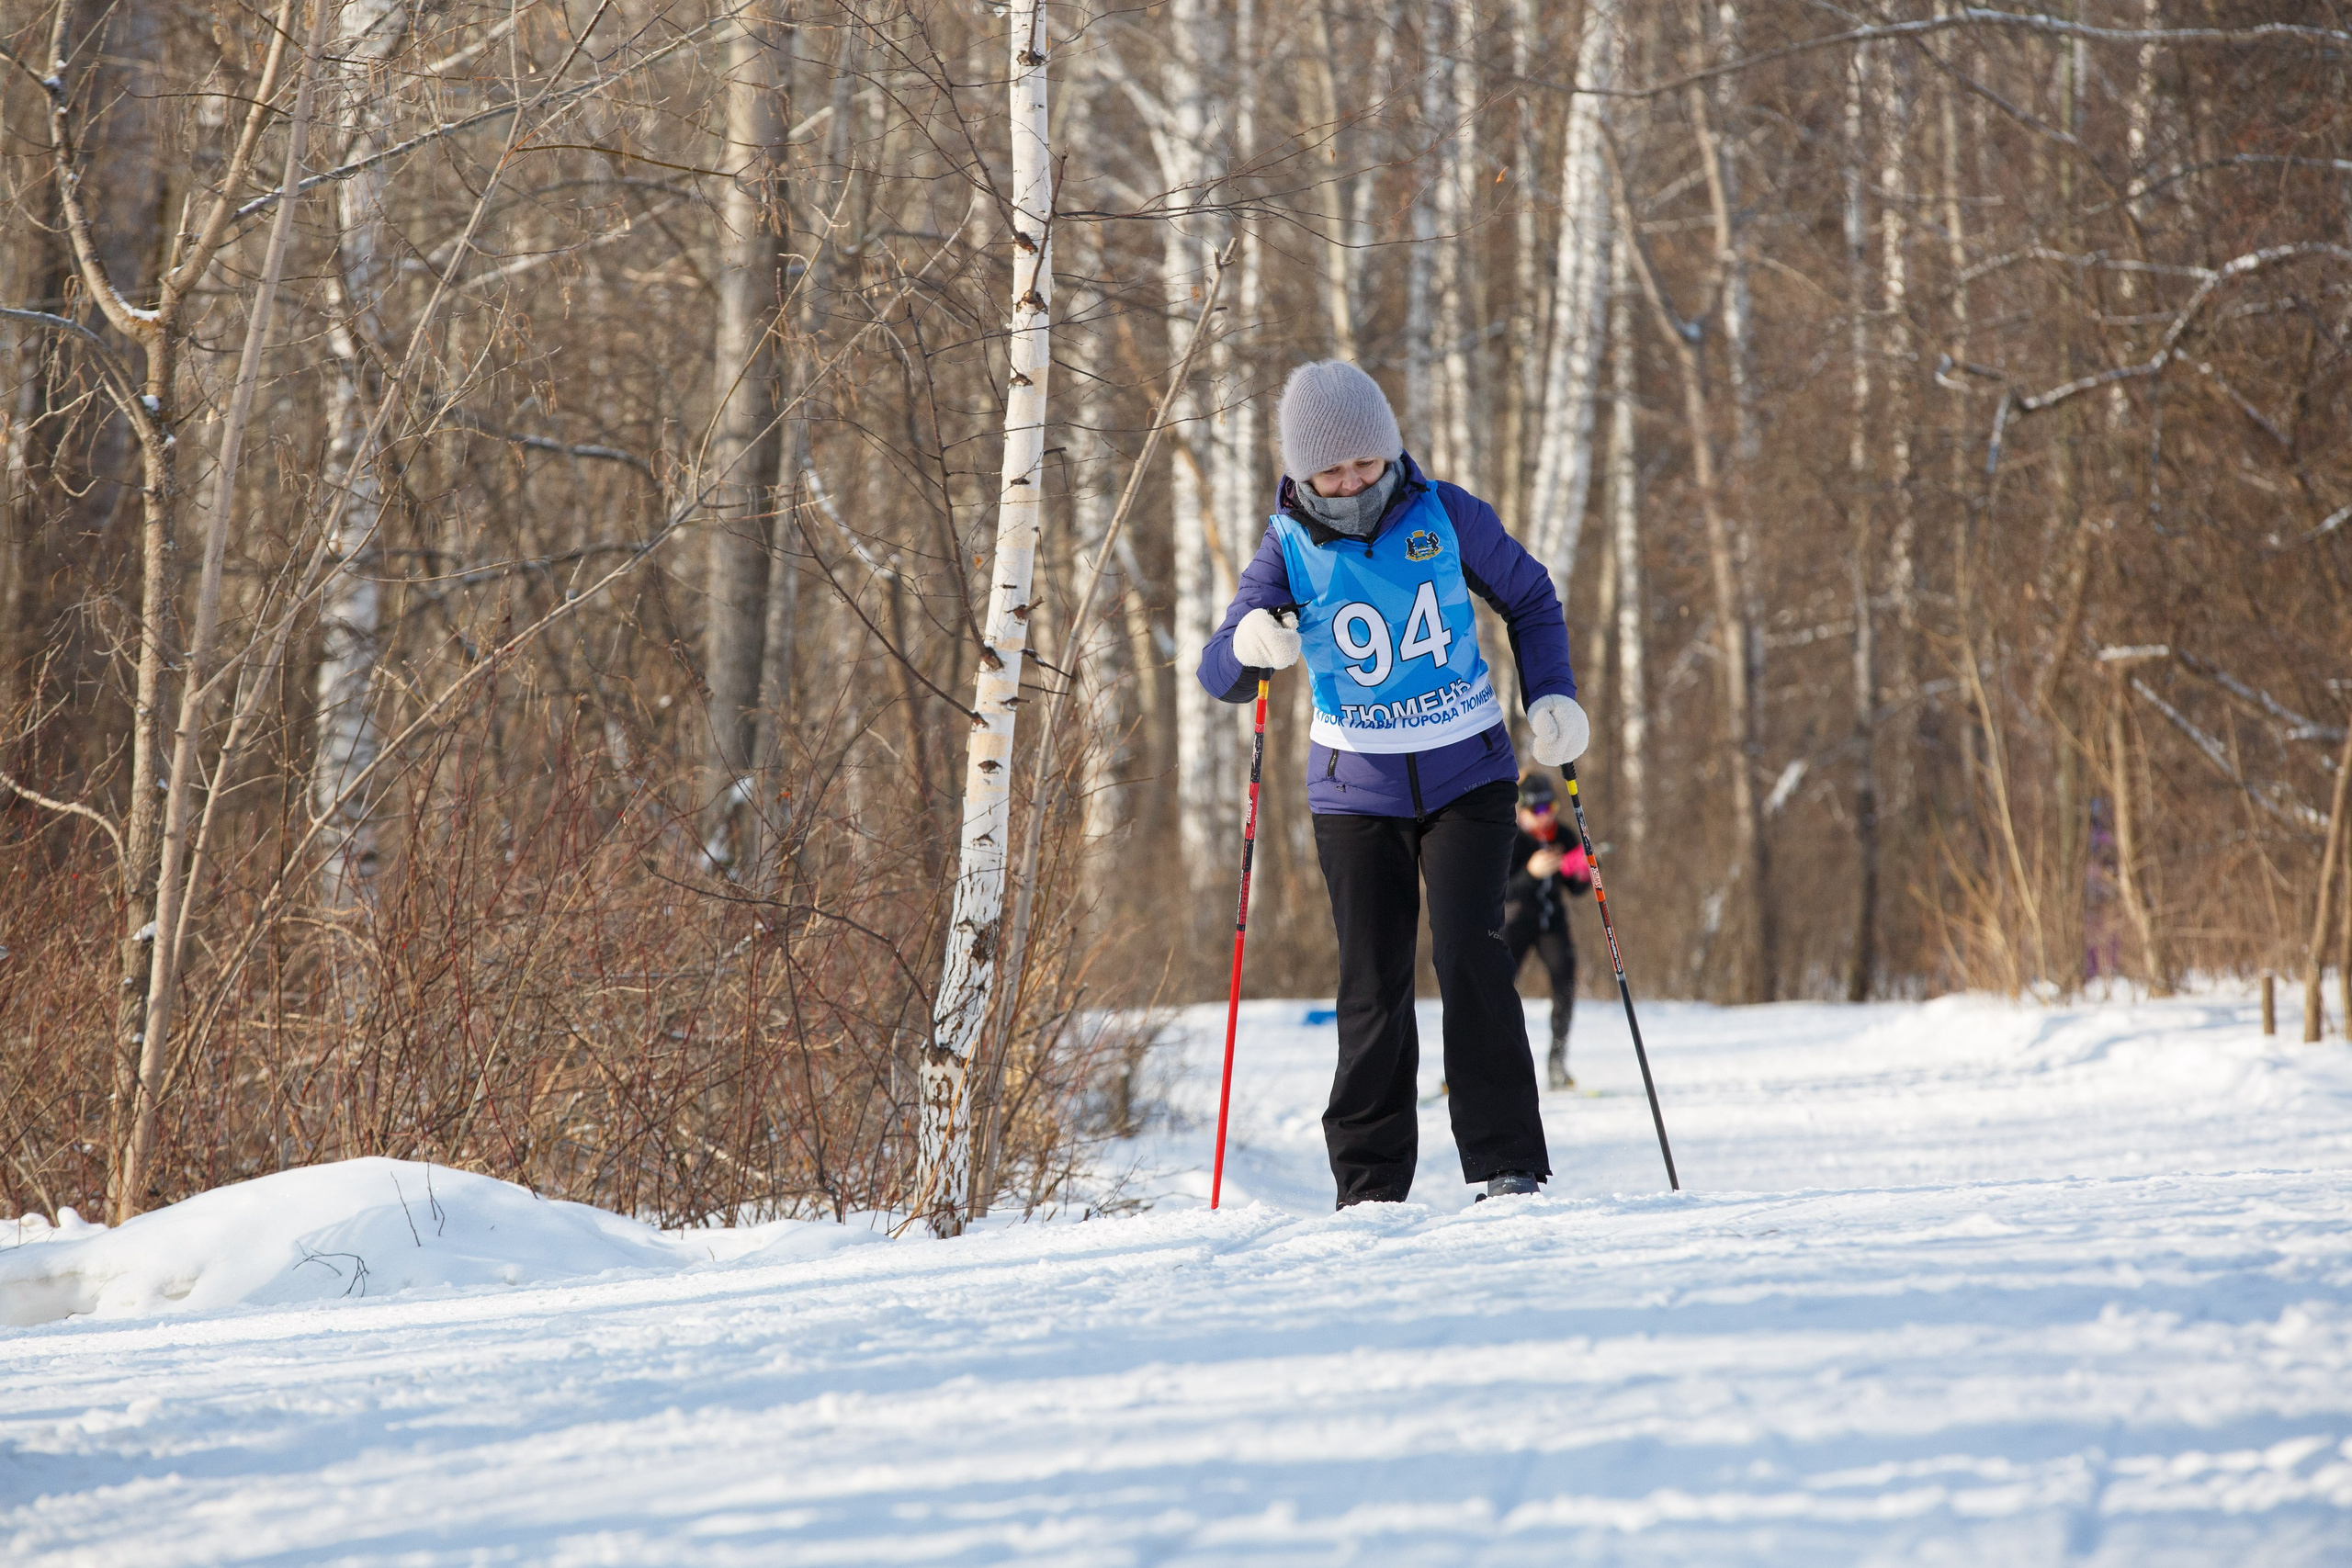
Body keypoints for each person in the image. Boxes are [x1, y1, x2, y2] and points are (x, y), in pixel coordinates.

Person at [1197, 359, 1590, 1208]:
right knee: (1372, 981)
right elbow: (1218, 667)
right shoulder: (1287, 545)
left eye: (1366, 463)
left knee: (1471, 956)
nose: (1352, 483)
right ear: (1302, 474)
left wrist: (1550, 692)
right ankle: (1370, 1185)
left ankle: (1505, 1163)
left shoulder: (1443, 513)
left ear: (1390, 450)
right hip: (1356, 792)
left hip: (1469, 772)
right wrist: (1250, 647)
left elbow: (1529, 594)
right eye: (1332, 471)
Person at [1505, 771, 1590, 1091]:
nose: (1545, 817)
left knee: (1565, 982)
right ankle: (1477, 1061)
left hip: (1551, 922)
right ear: (1522, 810)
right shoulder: (1511, 838)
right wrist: (1531, 873)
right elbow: (1500, 891)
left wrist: (1580, 872)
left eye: (1550, 808)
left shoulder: (1565, 836)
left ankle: (1557, 1062)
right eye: (1537, 811)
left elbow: (1577, 887)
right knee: (1495, 989)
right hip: (1515, 922)